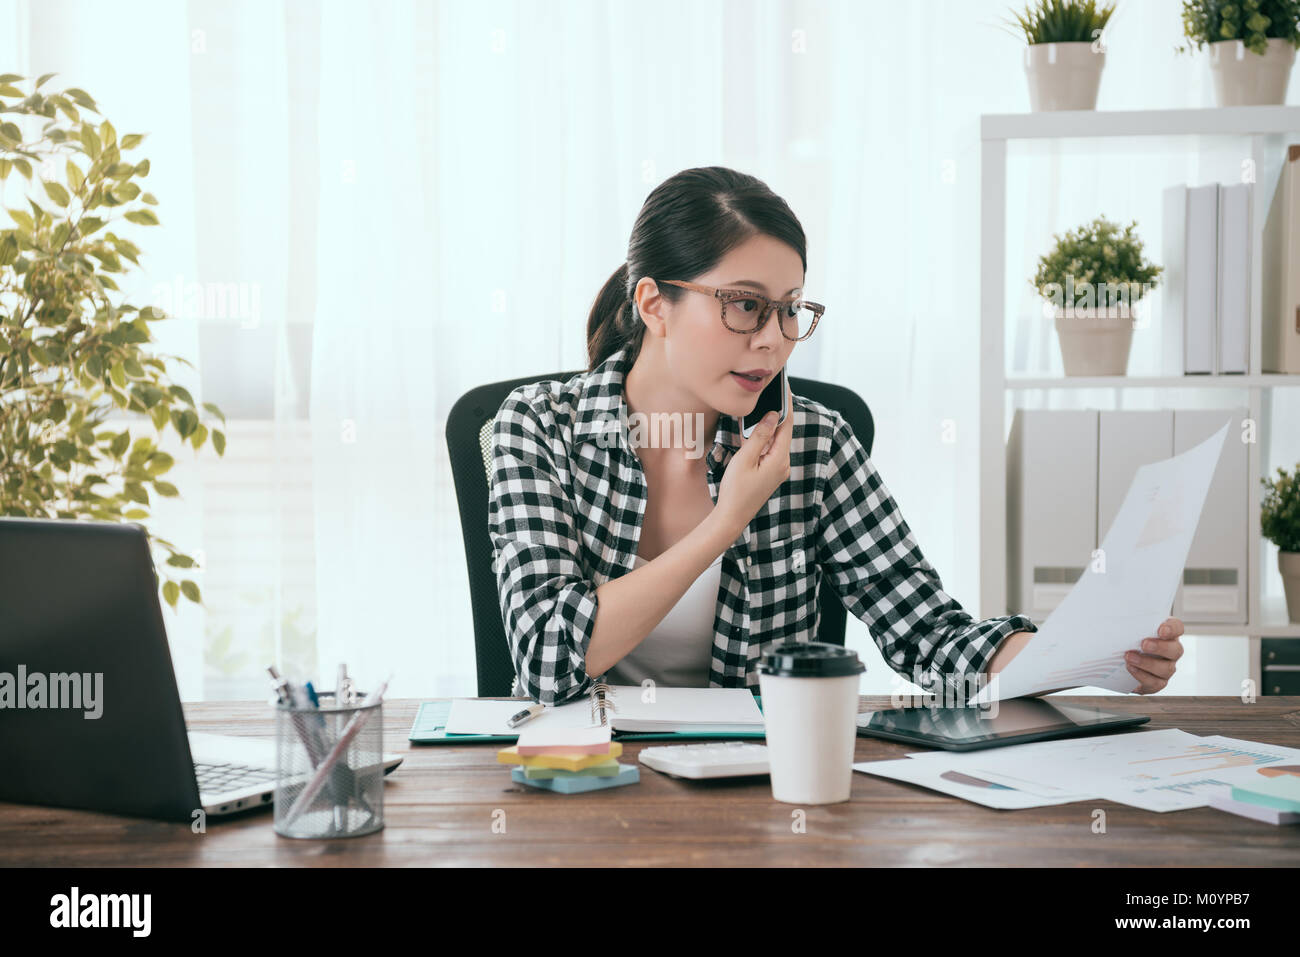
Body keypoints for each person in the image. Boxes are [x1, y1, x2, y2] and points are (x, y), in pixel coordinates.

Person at [488, 165, 1185, 706]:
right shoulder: (538, 427)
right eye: (745, 305)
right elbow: (550, 659)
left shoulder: (813, 443)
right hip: (578, 779)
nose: (773, 342)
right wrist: (727, 521)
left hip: (762, 786)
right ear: (654, 304)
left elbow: (925, 631)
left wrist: (1079, 653)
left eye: (790, 310)